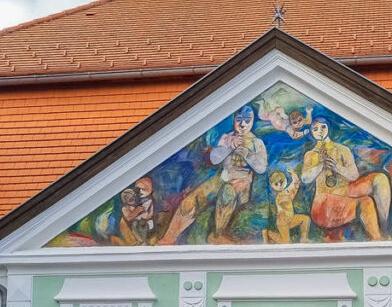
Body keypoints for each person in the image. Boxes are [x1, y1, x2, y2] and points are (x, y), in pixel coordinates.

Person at [158, 105, 267, 244]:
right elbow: (215, 159)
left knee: (227, 192)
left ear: (252, 122)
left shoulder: (257, 143)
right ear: (234, 120)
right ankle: (168, 238)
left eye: (247, 120)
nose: (242, 124)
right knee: (193, 199)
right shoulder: (227, 138)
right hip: (222, 177)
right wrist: (229, 146)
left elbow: (261, 168)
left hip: (242, 180)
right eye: (239, 119)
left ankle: (217, 235)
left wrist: (245, 152)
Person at [301, 116, 391, 240]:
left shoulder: (342, 149)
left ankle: (384, 227)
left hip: (345, 190)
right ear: (312, 133)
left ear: (328, 128)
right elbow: (305, 179)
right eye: (315, 129)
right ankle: (377, 240)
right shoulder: (311, 154)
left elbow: (354, 175)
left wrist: (337, 167)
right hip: (325, 202)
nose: (320, 131)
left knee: (380, 179)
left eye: (323, 127)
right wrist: (321, 165)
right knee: (366, 203)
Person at [262, 169, 310, 244]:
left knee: (306, 219)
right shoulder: (279, 197)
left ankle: (304, 239)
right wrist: (292, 193)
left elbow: (295, 183)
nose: (279, 185)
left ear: (285, 180)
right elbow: (287, 198)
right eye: (276, 184)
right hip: (283, 221)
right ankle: (267, 233)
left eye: (281, 182)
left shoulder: (286, 192)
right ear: (272, 185)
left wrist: (293, 173)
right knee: (286, 242)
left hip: (290, 218)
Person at [110, 177, 156, 246]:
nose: (139, 192)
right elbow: (130, 217)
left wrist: (138, 211)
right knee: (134, 225)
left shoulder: (148, 200)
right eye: (137, 189)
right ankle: (141, 240)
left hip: (145, 221)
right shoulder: (127, 207)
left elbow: (147, 212)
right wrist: (136, 210)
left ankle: (143, 240)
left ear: (150, 190)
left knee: (140, 226)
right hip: (137, 223)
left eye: (143, 189)